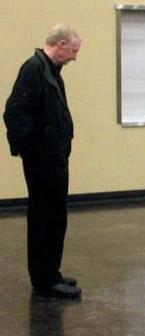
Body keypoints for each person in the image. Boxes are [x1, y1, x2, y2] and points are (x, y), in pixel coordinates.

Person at [4, 24, 82, 299]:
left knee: (55, 215)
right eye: (73, 51)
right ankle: (44, 279)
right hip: (42, 159)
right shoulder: (33, 70)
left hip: (54, 157)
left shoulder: (50, 72)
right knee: (43, 217)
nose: (74, 57)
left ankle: (52, 273)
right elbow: (14, 112)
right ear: (59, 45)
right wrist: (30, 151)